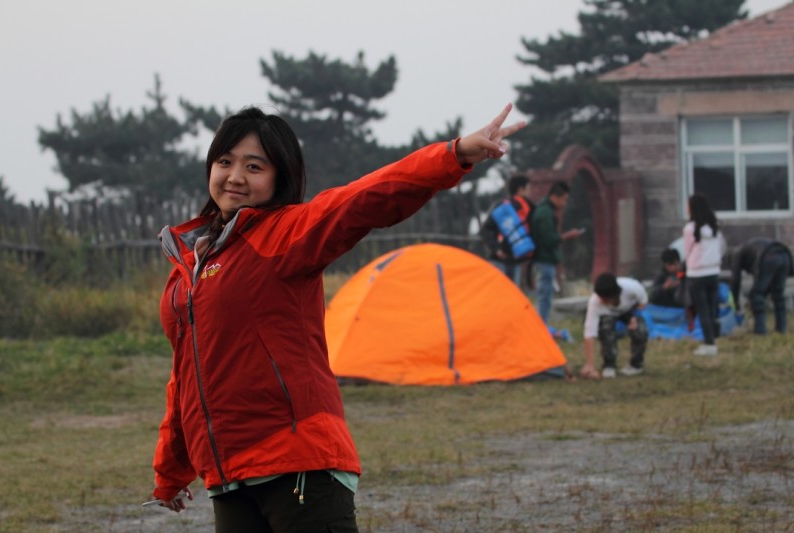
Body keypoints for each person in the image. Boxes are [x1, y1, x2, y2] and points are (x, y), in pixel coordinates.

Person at [149, 103, 525, 532]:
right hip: (229, 478)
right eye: (225, 162)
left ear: (278, 177)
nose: (235, 176)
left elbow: (362, 199)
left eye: (254, 166)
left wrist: (452, 155)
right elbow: (187, 374)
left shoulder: (285, 234)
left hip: (298, 465)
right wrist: (170, 471)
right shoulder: (190, 267)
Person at [530, 180, 583, 324]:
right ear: (555, 196)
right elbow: (547, 239)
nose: (564, 203)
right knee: (544, 297)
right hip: (544, 259)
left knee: (546, 296)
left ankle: (543, 325)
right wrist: (566, 236)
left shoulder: (545, 210)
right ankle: (542, 327)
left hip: (545, 260)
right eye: (564, 199)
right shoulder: (544, 212)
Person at [579, 272, 648, 380]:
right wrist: (590, 364)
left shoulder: (633, 287)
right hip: (608, 315)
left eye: (604, 299)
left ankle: (636, 364)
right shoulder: (595, 302)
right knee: (606, 328)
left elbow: (643, 302)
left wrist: (634, 317)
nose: (600, 300)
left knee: (640, 330)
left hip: (629, 310)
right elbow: (589, 333)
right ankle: (609, 365)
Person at [683, 193, 727, 356]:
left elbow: (687, 250)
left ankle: (709, 344)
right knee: (712, 308)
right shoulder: (714, 227)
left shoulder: (690, 229)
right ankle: (714, 337)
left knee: (703, 310)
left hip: (697, 274)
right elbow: (721, 247)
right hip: (714, 272)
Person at [480, 173, 534, 286]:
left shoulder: (500, 206)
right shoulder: (528, 207)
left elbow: (485, 229)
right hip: (516, 257)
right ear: (521, 189)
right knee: (512, 291)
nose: (530, 192)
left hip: (499, 257)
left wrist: (496, 249)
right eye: (528, 188)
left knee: (499, 291)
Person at [730, 238, 793, 334]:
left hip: (768, 256)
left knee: (756, 295)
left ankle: (760, 330)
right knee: (778, 295)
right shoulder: (748, 251)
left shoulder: (736, 254)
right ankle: (781, 329)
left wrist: (736, 305)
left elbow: (735, 281)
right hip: (785, 255)